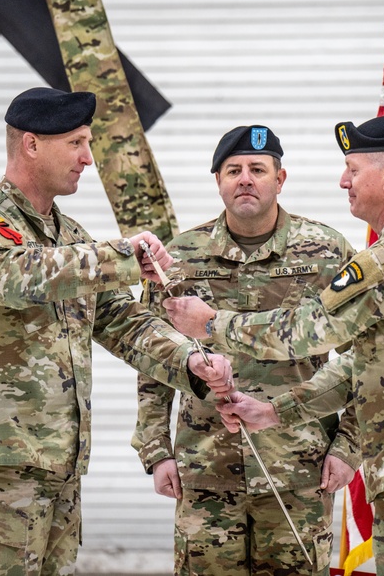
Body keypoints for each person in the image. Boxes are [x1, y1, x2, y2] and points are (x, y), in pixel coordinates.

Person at [163, 115, 384, 576]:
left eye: (353, 168)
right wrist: (274, 411)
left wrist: (213, 324)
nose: (343, 180)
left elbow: (312, 327)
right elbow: (363, 364)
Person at [0, 86, 233, 576]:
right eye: (76, 143)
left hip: (59, 464)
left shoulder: (70, 238)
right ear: (32, 145)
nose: (88, 159)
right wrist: (122, 255)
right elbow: (14, 278)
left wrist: (189, 361)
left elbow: (120, 319)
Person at [133, 125, 362, 575]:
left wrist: (348, 448)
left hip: (301, 468)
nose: (245, 179)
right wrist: (156, 450)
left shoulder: (327, 252)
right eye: (233, 170)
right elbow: (152, 358)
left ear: (280, 179)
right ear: (217, 180)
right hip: (204, 467)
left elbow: (369, 357)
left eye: (258, 169)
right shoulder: (180, 258)